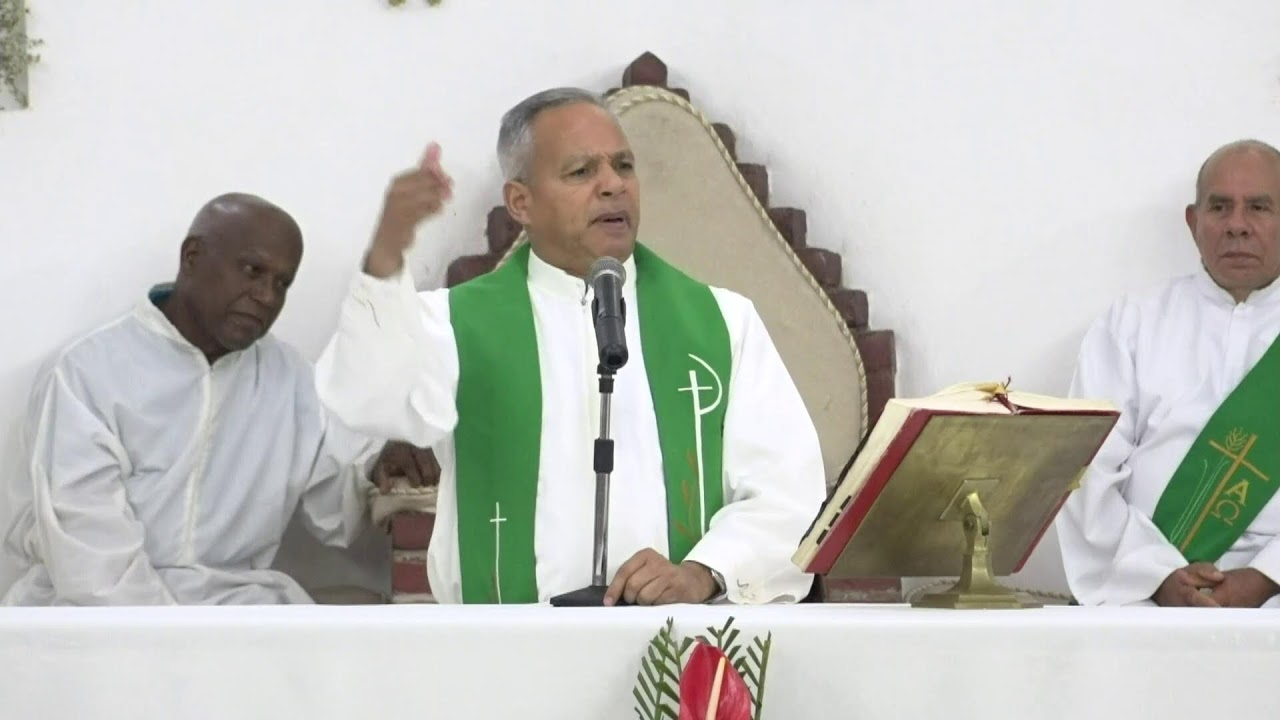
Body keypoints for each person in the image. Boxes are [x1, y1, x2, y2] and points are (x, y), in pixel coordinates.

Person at [315, 87, 827, 605]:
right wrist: (385, 256)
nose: (613, 186)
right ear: (521, 202)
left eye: (623, 166)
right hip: (507, 649)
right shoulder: (452, 324)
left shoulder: (721, 323)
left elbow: (789, 494)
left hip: (674, 654)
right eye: (581, 172)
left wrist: (704, 571)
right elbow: (363, 397)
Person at [2, 193, 433, 606]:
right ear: (191, 258)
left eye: (282, 282)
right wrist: (177, 649)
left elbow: (333, 505)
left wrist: (378, 464)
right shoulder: (88, 372)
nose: (266, 296)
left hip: (233, 609)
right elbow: (89, 557)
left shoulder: (291, 379)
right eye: (252, 271)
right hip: (90, 619)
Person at [1057, 139, 1280, 608]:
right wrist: (1157, 576)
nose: (1237, 226)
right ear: (1193, 222)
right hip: (1146, 599)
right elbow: (1084, 471)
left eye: (1258, 207)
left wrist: (1264, 578)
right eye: (1220, 207)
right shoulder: (1133, 323)